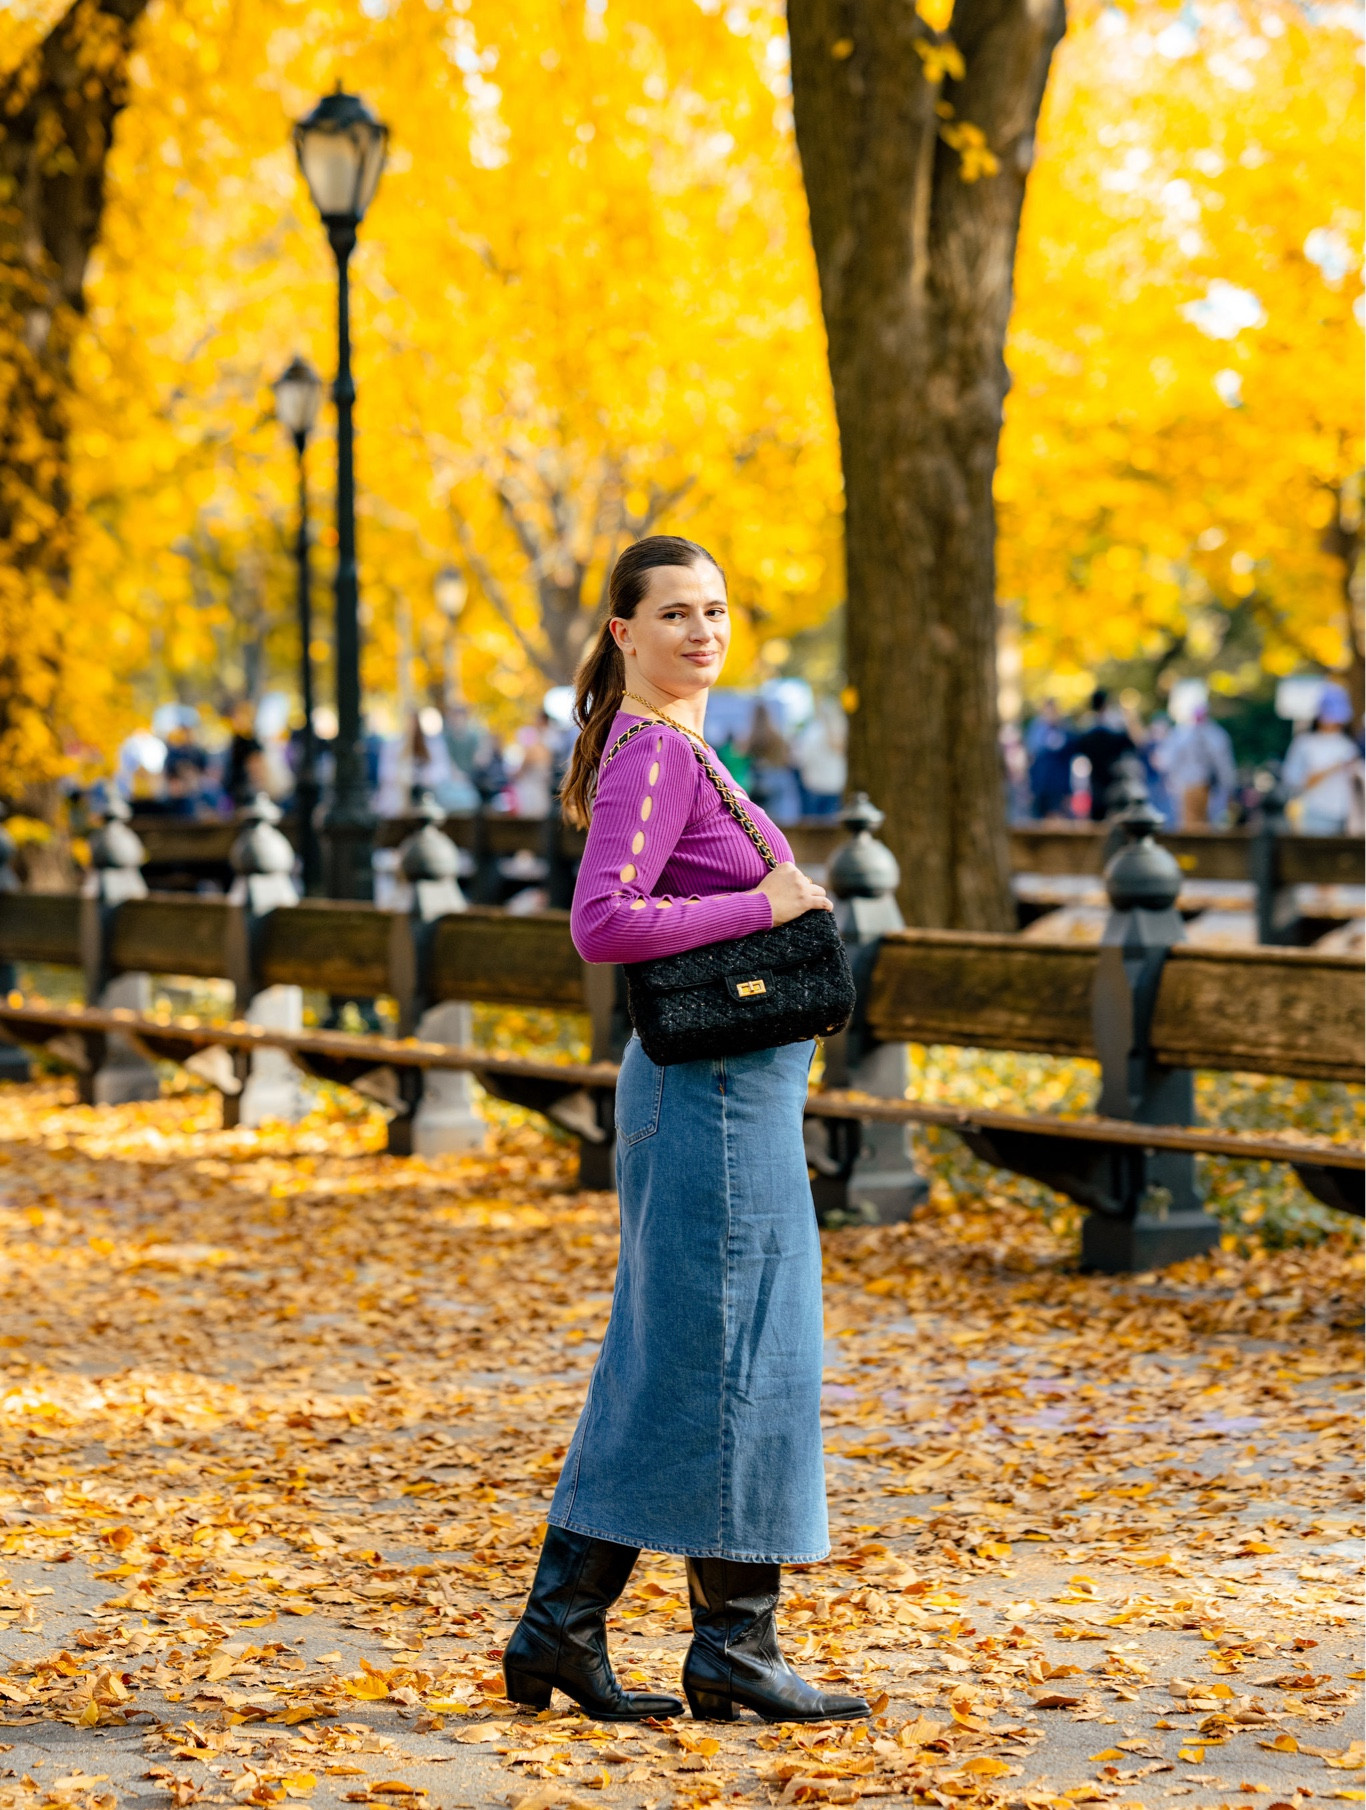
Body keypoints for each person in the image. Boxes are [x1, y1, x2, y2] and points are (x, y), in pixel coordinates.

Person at [502, 535, 869, 1727]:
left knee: (689, 1357)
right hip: (707, 1101)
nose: (700, 631)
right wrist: (764, 899)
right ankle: (729, 1646)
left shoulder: (679, 747)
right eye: (672, 613)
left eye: (714, 609)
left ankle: (573, 1625)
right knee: (733, 1355)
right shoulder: (652, 753)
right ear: (622, 633)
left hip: (727, 1098)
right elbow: (602, 925)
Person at [1282, 684, 1362, 834]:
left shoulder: (1348, 745)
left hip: (1346, 816)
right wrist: (1332, 768)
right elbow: (1293, 781)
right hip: (1314, 814)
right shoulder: (1305, 743)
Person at [1156, 704, 1237, 827]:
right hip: (1190, 785)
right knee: (1195, 822)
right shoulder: (1213, 734)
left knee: (1199, 822)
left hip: (1203, 785)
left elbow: (1166, 760)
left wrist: (1227, 784)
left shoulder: (1183, 733)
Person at [1073, 689, 1135, 821]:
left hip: (1095, 784)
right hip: (1114, 786)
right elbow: (1132, 745)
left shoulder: (1086, 733)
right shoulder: (1114, 732)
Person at [1024, 699, 1074, 819]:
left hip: (1058, 785)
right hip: (1040, 784)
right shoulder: (1036, 730)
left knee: (1057, 817)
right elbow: (1031, 756)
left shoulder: (1065, 730)